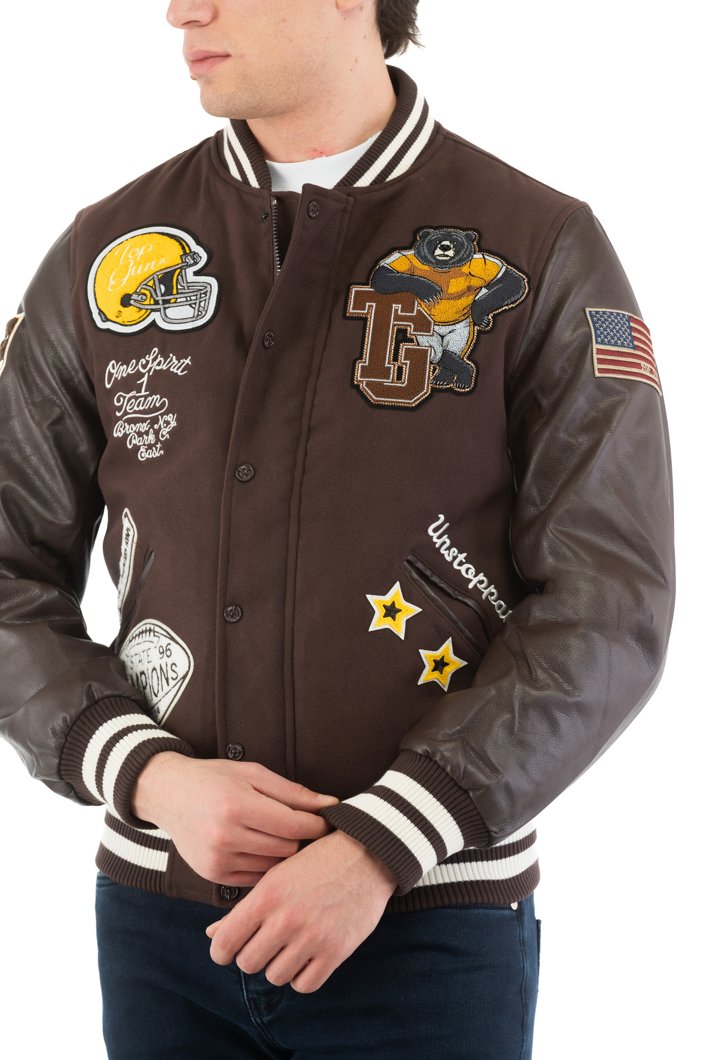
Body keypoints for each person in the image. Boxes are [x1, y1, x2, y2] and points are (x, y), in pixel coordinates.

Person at [0, 1, 675, 1057]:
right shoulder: (109, 252)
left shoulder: (539, 245)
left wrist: (383, 841)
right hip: (160, 927)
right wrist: (144, 773)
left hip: (429, 928)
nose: (181, 9)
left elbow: (610, 599)